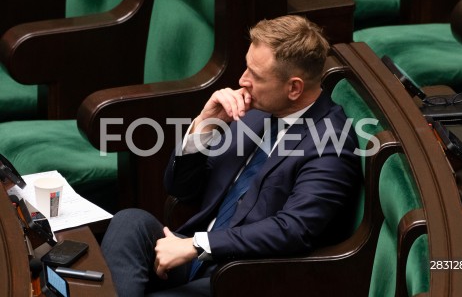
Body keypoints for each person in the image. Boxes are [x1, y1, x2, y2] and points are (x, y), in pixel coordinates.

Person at [101, 15, 362, 297]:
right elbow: (181, 189)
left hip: (246, 276)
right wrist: (205, 125)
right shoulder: (255, 113)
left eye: (256, 75)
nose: (242, 80)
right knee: (130, 221)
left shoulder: (330, 144)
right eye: (246, 67)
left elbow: (293, 229)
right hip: (195, 252)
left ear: (294, 88)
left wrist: (198, 245)